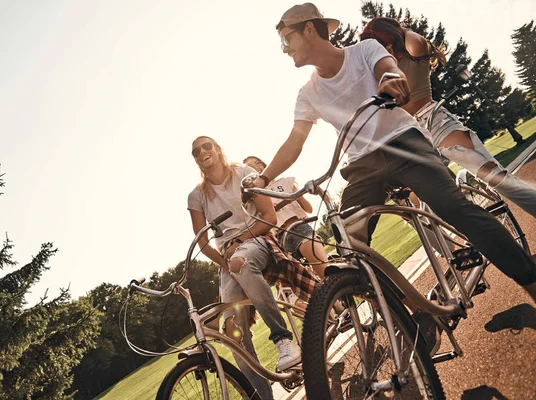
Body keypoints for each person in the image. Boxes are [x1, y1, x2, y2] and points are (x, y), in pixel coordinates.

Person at [252, 1, 536, 315]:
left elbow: (387, 69)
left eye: (286, 40)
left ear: (308, 29)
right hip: (363, 167)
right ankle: (411, 316)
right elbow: (295, 141)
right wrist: (262, 179)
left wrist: (391, 80)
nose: (284, 49)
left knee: (454, 209)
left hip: (405, 145)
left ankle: (531, 281)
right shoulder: (308, 93)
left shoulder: (365, 50)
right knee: (349, 242)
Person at [359, 16, 536, 218]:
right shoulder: (382, 71)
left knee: (495, 177)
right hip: (409, 136)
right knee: (420, 209)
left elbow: (415, 42)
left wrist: (397, 30)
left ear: (390, 39)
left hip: (436, 122)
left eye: (381, 44)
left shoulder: (414, 54)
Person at [187, 136, 319, 399]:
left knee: (242, 263)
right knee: (233, 333)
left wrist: (240, 241)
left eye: (207, 146)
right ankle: (261, 395)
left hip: (257, 238)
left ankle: (282, 338)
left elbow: (269, 218)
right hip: (228, 257)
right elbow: (203, 243)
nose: (202, 152)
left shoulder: (246, 175)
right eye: (196, 151)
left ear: (218, 149)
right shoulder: (196, 196)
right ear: (195, 160)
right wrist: (225, 260)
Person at [243, 155, 329, 279]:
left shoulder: (286, 182)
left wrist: (298, 196)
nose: (257, 168)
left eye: (258, 163)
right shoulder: (254, 197)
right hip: (279, 239)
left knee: (325, 272)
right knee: (304, 286)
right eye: (250, 167)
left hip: (298, 228)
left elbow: (308, 209)